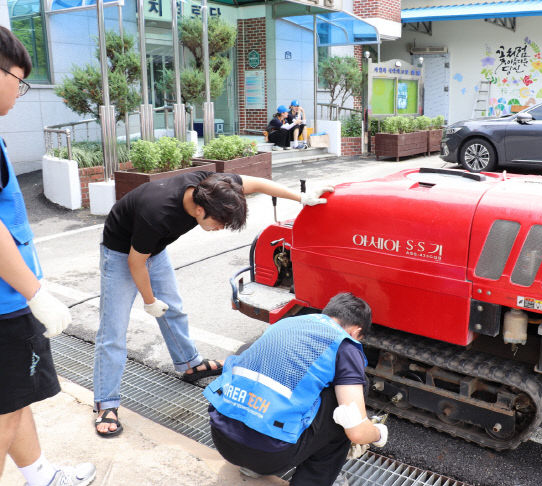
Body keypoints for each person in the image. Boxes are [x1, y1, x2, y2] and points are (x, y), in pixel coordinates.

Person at [94, 171, 333, 437]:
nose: (221, 228)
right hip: (121, 250)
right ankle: (106, 403)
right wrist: (149, 302)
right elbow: (135, 262)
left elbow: (259, 184)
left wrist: (301, 197)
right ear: (199, 209)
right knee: (113, 330)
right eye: (219, 222)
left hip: (154, 248)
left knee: (174, 309)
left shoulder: (216, 187)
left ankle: (189, 363)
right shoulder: (157, 212)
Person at [0, 27, 96, 486]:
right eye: (18, 80)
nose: (20, 93)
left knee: (14, 402)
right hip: (4, 306)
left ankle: (39, 475)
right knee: (4, 413)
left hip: (11, 299)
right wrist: (35, 293)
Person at [205, 293, 388, 486]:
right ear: (355, 331)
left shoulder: (287, 323)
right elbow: (356, 431)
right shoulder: (345, 345)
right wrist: (377, 433)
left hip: (222, 439)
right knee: (344, 412)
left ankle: (251, 467)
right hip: (270, 454)